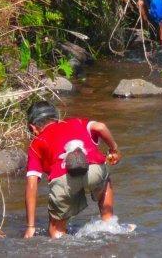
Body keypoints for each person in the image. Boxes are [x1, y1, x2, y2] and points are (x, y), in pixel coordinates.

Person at [23, 101, 121, 239]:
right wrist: (114, 149)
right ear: (57, 118)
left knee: (56, 231)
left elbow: (32, 184)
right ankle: (109, 223)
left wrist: (30, 227)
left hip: (63, 180)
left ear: (33, 128)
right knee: (105, 181)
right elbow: (101, 127)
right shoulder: (77, 122)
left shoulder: (36, 144)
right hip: (93, 170)